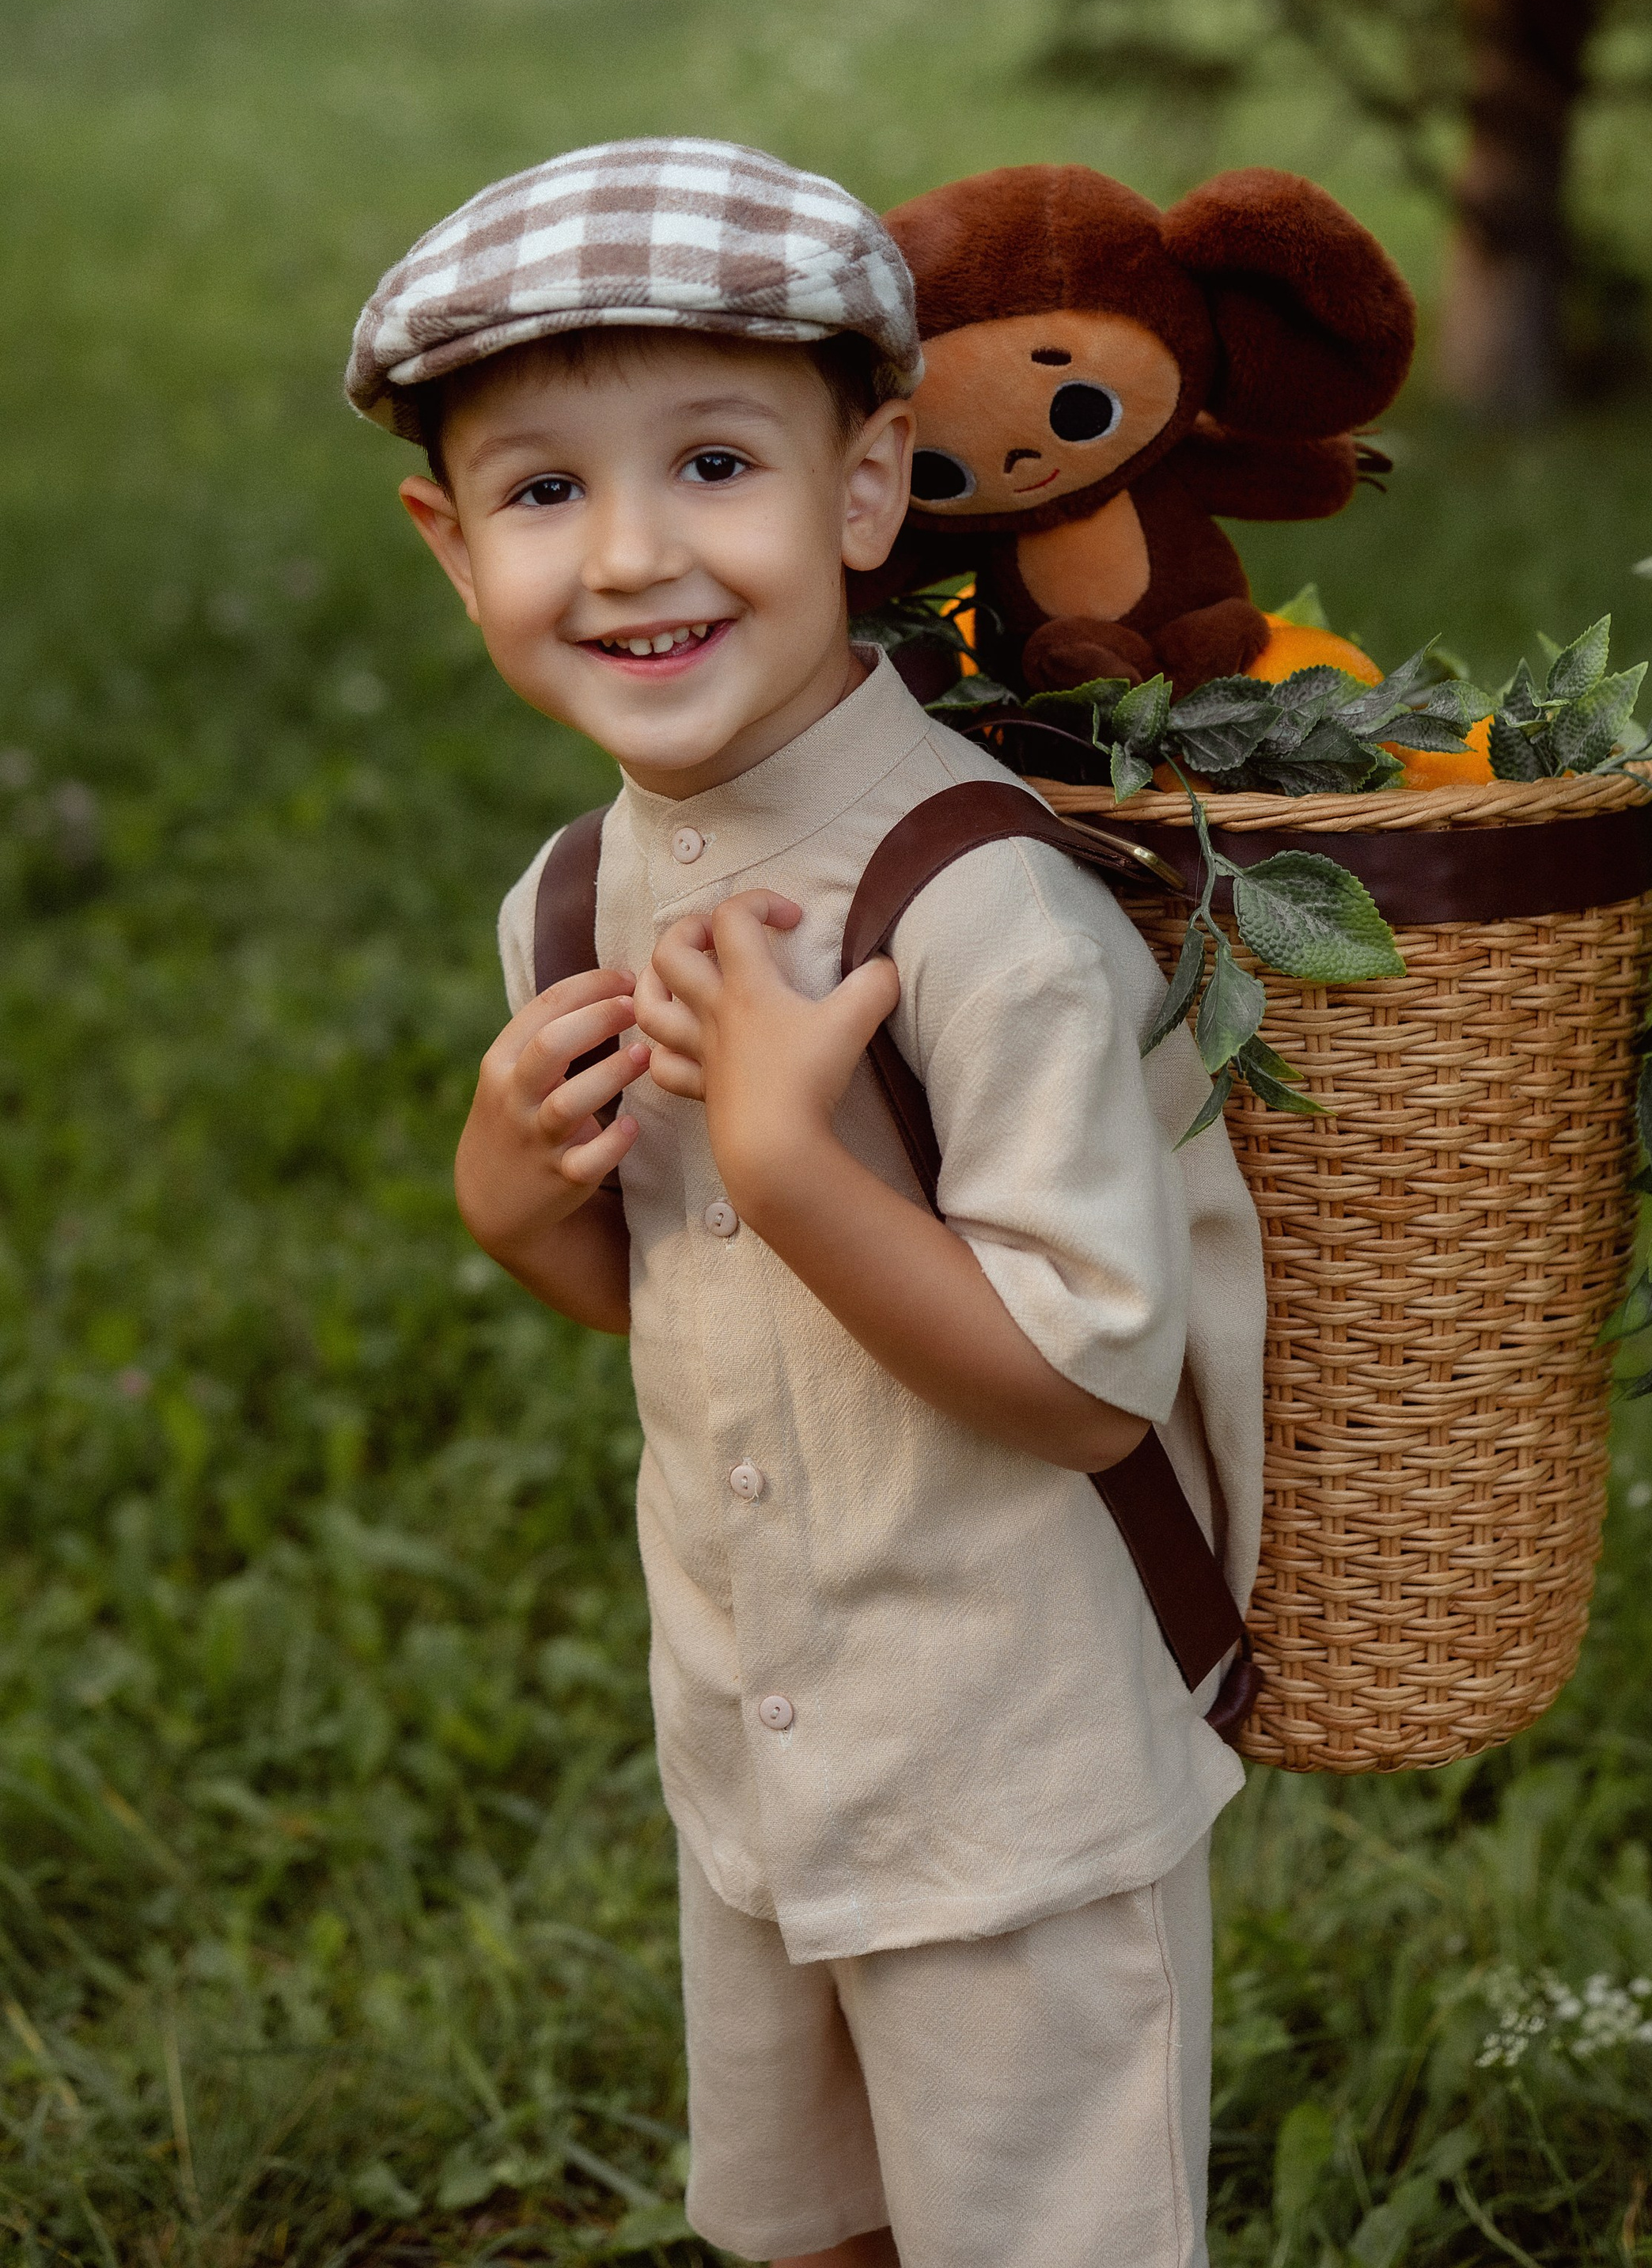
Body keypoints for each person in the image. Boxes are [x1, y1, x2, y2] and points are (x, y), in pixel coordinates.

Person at [345, 138, 1265, 2268]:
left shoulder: (986, 910)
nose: (633, 554)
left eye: (717, 466)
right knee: (805, 2227)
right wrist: (521, 1211)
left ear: (866, 490)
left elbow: (1087, 1389)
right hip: (763, 1749)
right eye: (544, 491)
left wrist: (790, 1156)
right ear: (446, 544)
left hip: (1011, 1770)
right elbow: (704, 1300)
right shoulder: (575, 896)